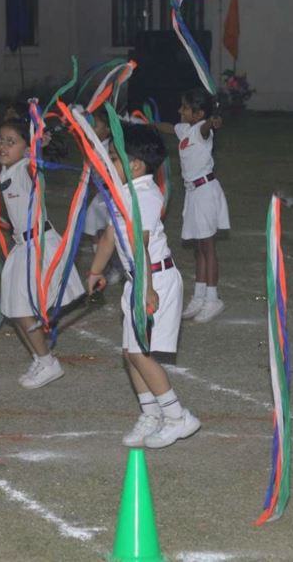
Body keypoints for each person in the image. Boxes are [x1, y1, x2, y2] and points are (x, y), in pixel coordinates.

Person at [85, 123, 199, 449]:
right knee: (130, 353)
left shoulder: (145, 195)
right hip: (139, 280)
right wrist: (95, 270)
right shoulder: (124, 192)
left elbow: (141, 244)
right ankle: (151, 414)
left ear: (135, 165)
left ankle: (177, 417)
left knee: (142, 354)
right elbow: (111, 235)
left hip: (154, 280)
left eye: (113, 157)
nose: (108, 163)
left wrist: (147, 290)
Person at [0, 117, 85, 389]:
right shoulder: (6, 171)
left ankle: (48, 362)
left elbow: (33, 167)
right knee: (14, 308)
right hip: (23, 247)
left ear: (26, 148)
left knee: (23, 309)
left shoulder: (25, 167)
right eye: (1, 140)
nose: (3, 146)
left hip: (39, 246)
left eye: (11, 142)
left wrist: (37, 149)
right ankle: (39, 357)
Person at [150, 89, 230, 323]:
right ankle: (200, 295)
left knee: (208, 247)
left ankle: (213, 299)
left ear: (199, 114)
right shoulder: (185, 129)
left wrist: (213, 121)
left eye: (185, 108)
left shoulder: (202, 130)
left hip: (206, 193)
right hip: (193, 194)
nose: (180, 110)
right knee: (199, 247)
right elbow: (168, 127)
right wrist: (148, 124)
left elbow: (208, 126)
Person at [81, 115, 124, 286]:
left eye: (96, 126)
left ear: (107, 130)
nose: (92, 129)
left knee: (112, 233)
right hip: (101, 196)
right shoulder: (92, 147)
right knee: (95, 230)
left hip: (112, 196)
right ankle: (102, 267)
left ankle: (117, 266)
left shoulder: (110, 149)